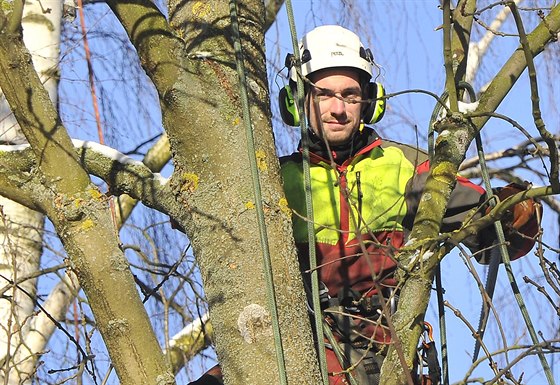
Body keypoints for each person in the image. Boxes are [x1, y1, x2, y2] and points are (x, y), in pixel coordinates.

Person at [189, 25, 540, 385]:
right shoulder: (273, 182)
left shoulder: (404, 167)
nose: (338, 108)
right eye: (323, 94)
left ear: (370, 101)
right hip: (295, 348)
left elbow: (500, 234)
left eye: (350, 95)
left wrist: (515, 211)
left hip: (378, 358)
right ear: (297, 100)